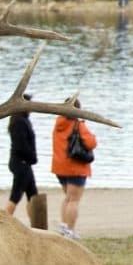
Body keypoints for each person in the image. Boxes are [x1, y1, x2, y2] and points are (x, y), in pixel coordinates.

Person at [51, 99, 97, 240]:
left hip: (60, 167)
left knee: (68, 198)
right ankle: (70, 230)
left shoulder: (58, 124)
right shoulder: (78, 125)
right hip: (75, 167)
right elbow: (91, 143)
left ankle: (64, 227)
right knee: (74, 200)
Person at [5, 94, 38, 222]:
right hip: (21, 163)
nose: (32, 108)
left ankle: (35, 224)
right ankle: (4, 224)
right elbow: (21, 146)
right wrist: (32, 157)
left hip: (25, 163)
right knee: (15, 196)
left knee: (33, 196)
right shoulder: (19, 123)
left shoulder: (23, 120)